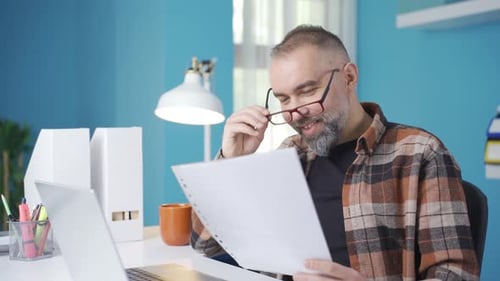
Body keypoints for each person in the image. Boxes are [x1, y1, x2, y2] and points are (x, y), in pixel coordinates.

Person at [190, 24, 479, 281]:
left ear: (349, 78)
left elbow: (455, 273)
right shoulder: (288, 156)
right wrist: (231, 163)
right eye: (283, 98)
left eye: (307, 91)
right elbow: (205, 245)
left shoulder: (419, 154)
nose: (295, 112)